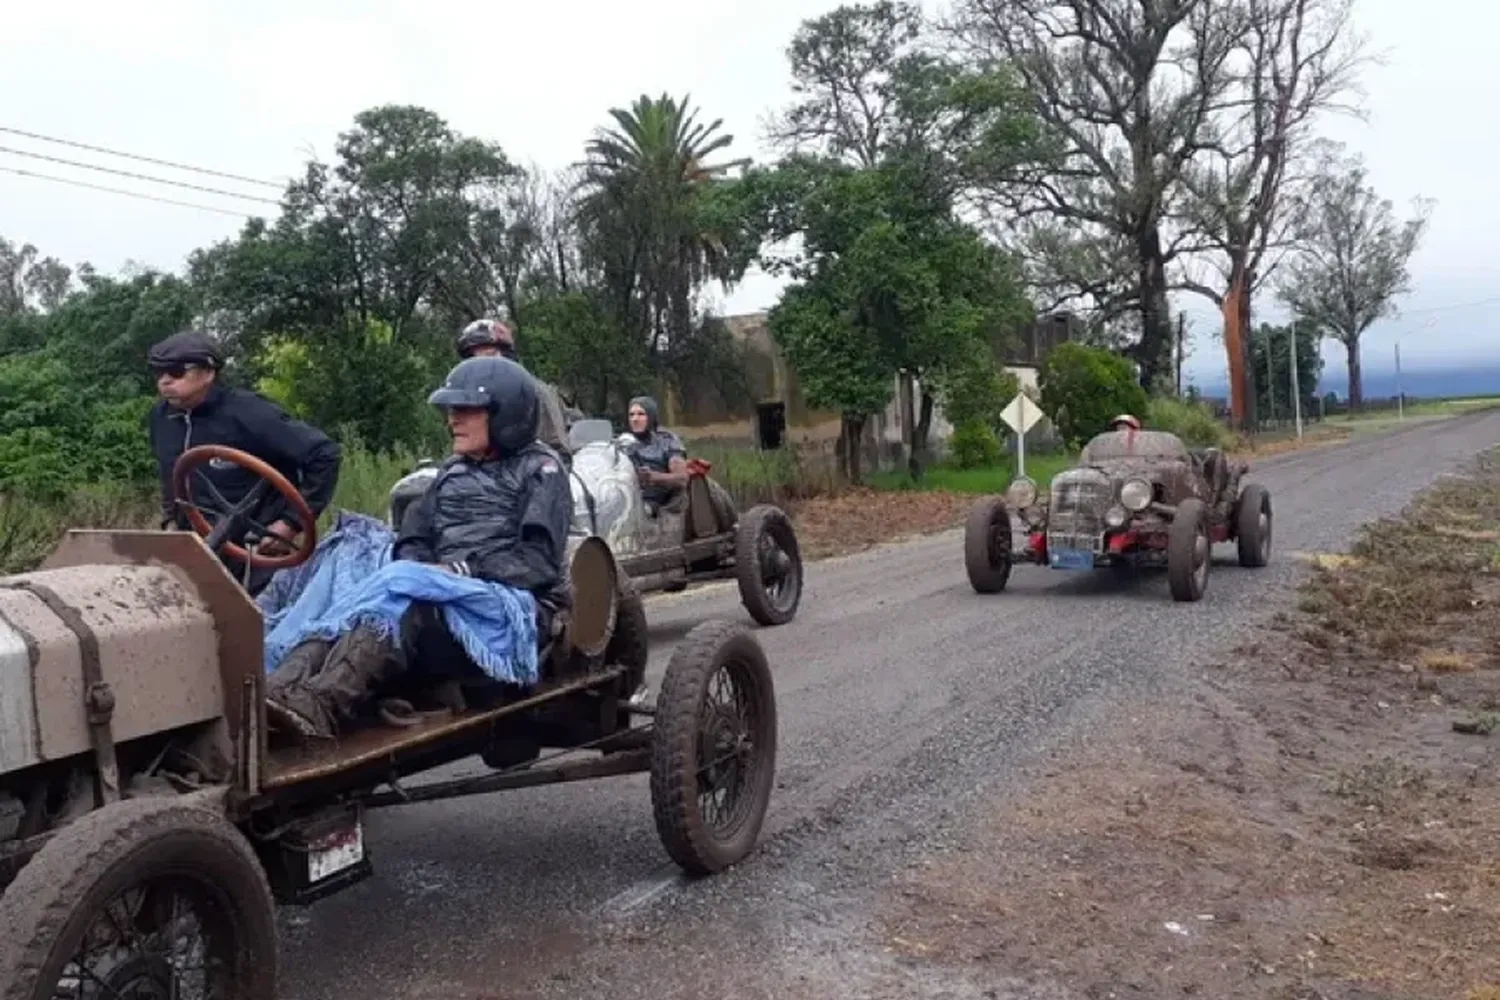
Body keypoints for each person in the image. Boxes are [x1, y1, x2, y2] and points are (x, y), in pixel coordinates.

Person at [264, 355, 573, 740]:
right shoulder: (451, 471)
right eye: (451, 410)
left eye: (465, 410)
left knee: (405, 600)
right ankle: (276, 693)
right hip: (445, 601)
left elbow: (538, 565)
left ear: (504, 413)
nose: (452, 419)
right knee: (354, 590)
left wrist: (456, 573)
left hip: (512, 609)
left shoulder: (541, 470)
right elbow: (412, 541)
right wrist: (425, 573)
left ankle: (323, 704)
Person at [146, 330, 341, 595]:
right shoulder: (161, 419)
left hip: (256, 552)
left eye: (176, 371)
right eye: (158, 373)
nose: (165, 381)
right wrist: (170, 519)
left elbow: (324, 455)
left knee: (254, 626)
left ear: (208, 372)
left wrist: (290, 522)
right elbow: (169, 476)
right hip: (197, 550)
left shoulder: (249, 413)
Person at [456, 318, 572, 462]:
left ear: (507, 355)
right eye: (472, 358)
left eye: (488, 355)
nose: (480, 364)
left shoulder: (534, 392)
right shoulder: (474, 397)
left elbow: (558, 452)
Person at [620, 395, 690, 514]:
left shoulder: (667, 441)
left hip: (656, 503)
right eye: (631, 415)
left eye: (641, 414)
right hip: (626, 500)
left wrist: (652, 477)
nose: (635, 419)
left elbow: (682, 478)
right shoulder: (622, 442)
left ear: (651, 416)